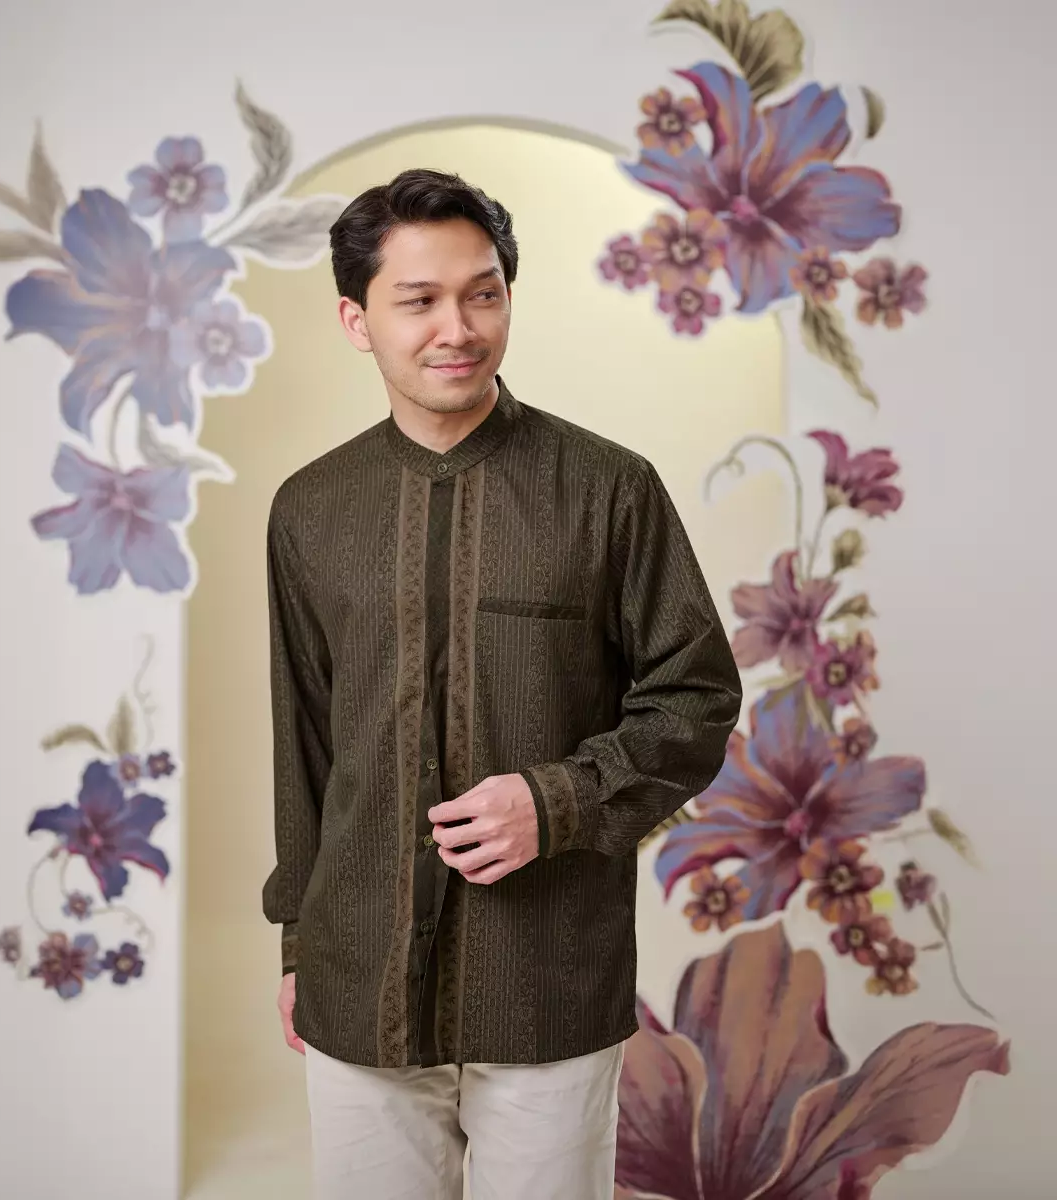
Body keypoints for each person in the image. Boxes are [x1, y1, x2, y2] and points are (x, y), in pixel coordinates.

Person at [262, 167, 742, 1200]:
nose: (459, 328)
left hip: (547, 981)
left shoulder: (610, 490)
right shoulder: (309, 509)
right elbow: (304, 744)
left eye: (483, 293)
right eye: (420, 300)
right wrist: (301, 944)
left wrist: (555, 800)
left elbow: (696, 697)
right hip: (357, 980)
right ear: (356, 320)